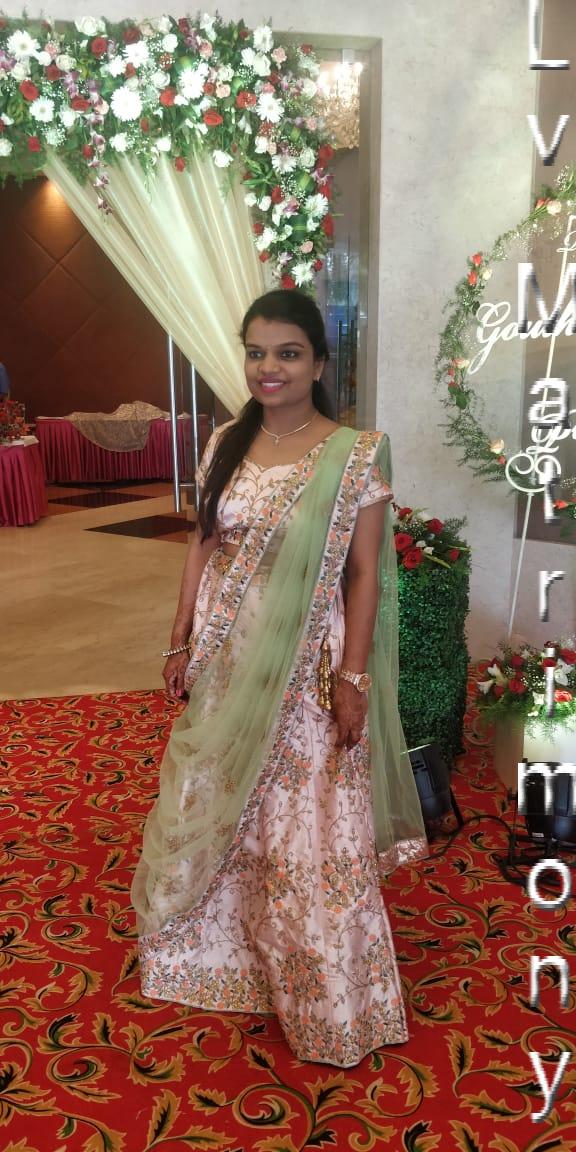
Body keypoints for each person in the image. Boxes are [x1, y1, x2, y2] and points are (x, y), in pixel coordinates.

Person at [131, 289, 427, 1067]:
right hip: (230, 656)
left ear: (319, 363)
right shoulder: (226, 441)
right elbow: (204, 543)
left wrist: (353, 678)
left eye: (288, 353)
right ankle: (220, 947)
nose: (270, 367)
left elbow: (363, 576)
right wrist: (179, 636)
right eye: (257, 352)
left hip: (306, 659)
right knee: (225, 789)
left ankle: (318, 982)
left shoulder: (354, 453)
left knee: (301, 812)